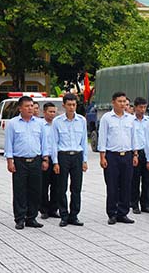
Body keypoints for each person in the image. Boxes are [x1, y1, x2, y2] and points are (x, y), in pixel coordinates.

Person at [5, 96, 48, 230]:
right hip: (19, 161)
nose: (30, 108)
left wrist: (45, 159)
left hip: (35, 160)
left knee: (35, 190)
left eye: (31, 106)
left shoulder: (39, 123)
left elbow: (44, 142)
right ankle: (20, 218)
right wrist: (10, 161)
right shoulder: (13, 123)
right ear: (20, 108)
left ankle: (32, 217)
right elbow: (9, 144)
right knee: (20, 190)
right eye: (27, 106)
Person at [98, 92, 137, 225]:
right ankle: (112, 213)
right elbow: (102, 138)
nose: (122, 104)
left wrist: (135, 154)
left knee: (126, 185)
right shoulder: (107, 118)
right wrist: (102, 157)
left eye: (124, 101)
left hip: (127, 155)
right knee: (112, 185)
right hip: (112, 156)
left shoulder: (130, 118)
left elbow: (133, 138)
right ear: (113, 102)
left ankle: (123, 213)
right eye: (119, 101)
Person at [51, 93, 88, 227]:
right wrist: (55, 162)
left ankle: (74, 215)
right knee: (61, 187)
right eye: (69, 105)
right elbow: (54, 142)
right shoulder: (57, 121)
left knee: (76, 187)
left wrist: (84, 160)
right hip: (63, 156)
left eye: (74, 105)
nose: (72, 108)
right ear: (64, 106)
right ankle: (64, 215)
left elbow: (84, 142)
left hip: (77, 156)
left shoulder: (82, 120)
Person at [130, 97, 149, 214]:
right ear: (135, 107)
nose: (143, 110)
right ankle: (134, 204)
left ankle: (146, 204)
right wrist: (134, 153)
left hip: (147, 152)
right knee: (134, 180)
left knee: (147, 180)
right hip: (135, 153)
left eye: (145, 107)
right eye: (140, 107)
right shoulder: (130, 121)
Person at [39, 102, 59, 219]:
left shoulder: (57, 124)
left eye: (54, 112)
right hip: (45, 158)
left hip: (56, 158)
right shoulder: (40, 125)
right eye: (50, 112)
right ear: (44, 112)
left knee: (57, 185)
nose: (52, 114)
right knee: (44, 185)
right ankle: (44, 209)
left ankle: (53, 209)